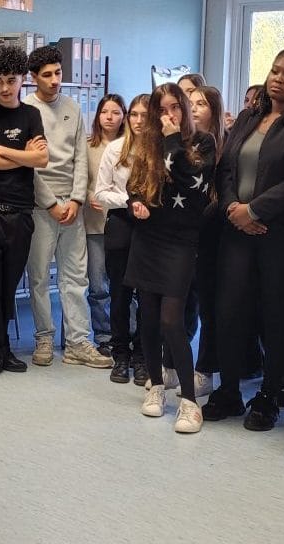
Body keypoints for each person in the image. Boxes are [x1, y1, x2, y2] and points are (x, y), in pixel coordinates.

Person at [207, 48, 284, 430]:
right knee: (229, 311)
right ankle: (228, 391)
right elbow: (226, 166)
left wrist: (255, 209)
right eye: (275, 71)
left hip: (278, 233)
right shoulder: (248, 116)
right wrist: (233, 208)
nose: (278, 78)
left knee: (277, 315)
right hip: (236, 230)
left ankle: (269, 395)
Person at [125, 83, 218, 433]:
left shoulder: (201, 143)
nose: (170, 115)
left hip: (181, 241)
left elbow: (192, 184)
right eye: (162, 109)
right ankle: (156, 387)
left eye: (175, 107)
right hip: (148, 238)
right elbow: (135, 182)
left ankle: (190, 402)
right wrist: (135, 201)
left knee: (171, 321)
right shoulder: (146, 143)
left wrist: (172, 142)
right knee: (147, 318)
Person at [24, 46, 112, 369]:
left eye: (58, 73)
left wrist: (75, 199)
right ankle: (44, 338)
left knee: (76, 277)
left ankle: (78, 342)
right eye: (46, 75)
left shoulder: (73, 108)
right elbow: (29, 166)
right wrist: (50, 203)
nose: (54, 80)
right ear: (33, 78)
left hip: (72, 206)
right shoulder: (25, 110)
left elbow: (80, 158)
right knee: (38, 276)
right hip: (40, 205)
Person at [0, 45, 49, 379]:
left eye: (11, 80)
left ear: (22, 82)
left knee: (9, 285)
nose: (4, 87)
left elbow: (42, 159)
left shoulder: (31, 115)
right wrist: (21, 153)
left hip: (21, 212)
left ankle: (4, 349)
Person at [95, 94, 149, 385]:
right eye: (135, 115)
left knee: (147, 297)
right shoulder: (115, 149)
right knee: (120, 294)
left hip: (151, 228)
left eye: (145, 115)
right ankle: (121, 355)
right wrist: (129, 201)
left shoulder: (159, 150)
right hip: (121, 223)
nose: (139, 121)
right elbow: (100, 192)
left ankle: (142, 354)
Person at [188, 85, 231, 395]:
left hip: (214, 232)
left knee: (209, 307)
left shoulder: (225, 147)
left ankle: (206, 369)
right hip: (183, 233)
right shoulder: (181, 144)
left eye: (200, 104)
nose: (193, 109)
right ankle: (175, 364)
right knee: (182, 303)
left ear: (214, 110)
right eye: (190, 103)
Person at [84, 94, 127, 354]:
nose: (109, 117)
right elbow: (82, 179)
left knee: (123, 283)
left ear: (124, 116)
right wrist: (90, 196)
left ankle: (128, 332)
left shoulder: (131, 146)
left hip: (123, 222)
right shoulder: (89, 146)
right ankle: (103, 335)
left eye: (116, 112)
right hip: (95, 223)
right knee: (98, 284)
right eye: (104, 112)